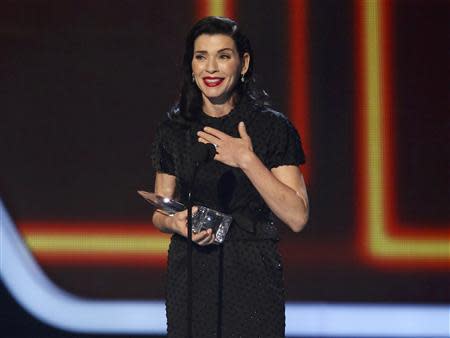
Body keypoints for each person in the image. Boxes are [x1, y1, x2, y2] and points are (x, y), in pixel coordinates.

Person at [150, 16, 309, 338]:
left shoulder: (270, 128)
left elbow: (297, 216)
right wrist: (176, 223)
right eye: (201, 56)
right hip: (191, 270)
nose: (211, 68)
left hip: (252, 268)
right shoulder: (175, 129)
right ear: (191, 66)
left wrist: (248, 160)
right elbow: (161, 210)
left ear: (243, 63)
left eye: (223, 56)